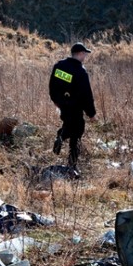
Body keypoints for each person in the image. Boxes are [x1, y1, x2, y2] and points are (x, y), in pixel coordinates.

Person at [49, 42, 96, 171]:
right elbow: (86, 94)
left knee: (68, 125)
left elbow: (52, 86)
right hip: (76, 107)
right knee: (77, 135)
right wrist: (91, 114)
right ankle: (72, 165)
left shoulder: (59, 66)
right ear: (80, 54)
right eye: (84, 54)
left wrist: (56, 101)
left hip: (63, 105)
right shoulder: (80, 71)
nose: (85, 57)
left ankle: (60, 136)